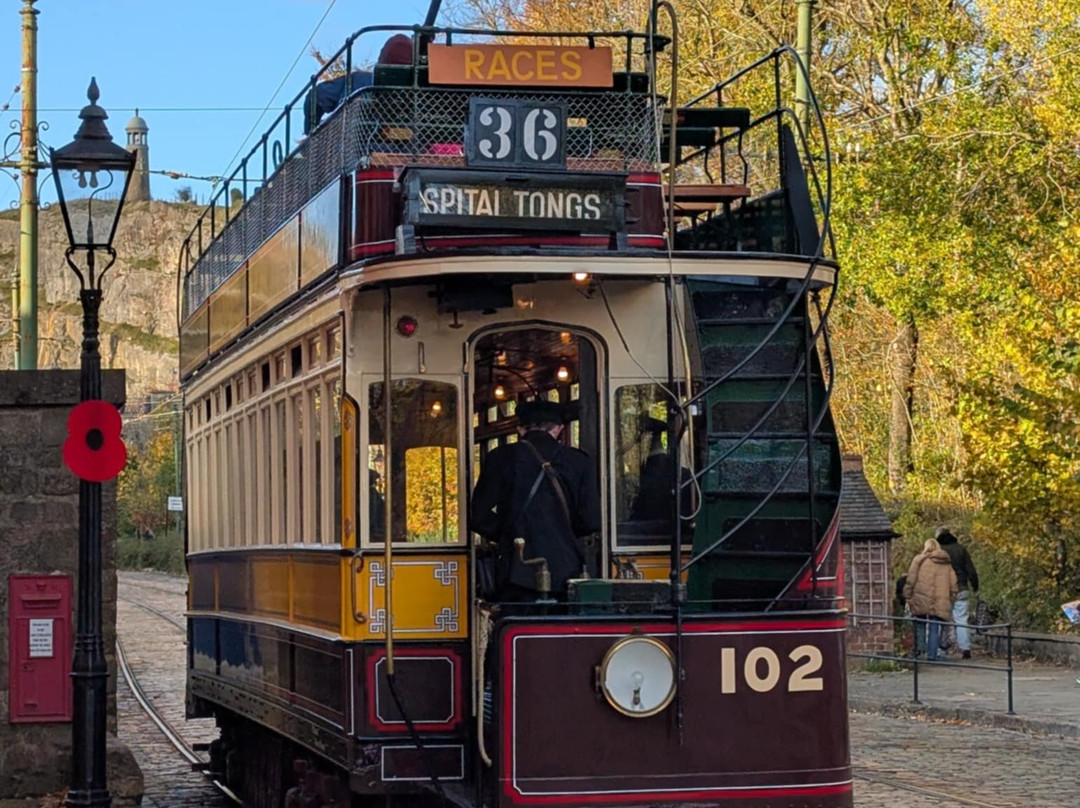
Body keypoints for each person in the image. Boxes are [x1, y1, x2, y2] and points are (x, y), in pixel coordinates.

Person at [470, 400, 601, 601]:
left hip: (516, 568)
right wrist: (563, 533)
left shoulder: (501, 457)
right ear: (558, 429)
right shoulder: (579, 461)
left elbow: (478, 516)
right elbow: (591, 521)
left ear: (521, 429)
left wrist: (509, 535)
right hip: (566, 568)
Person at [303, 34, 414, 134]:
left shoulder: (358, 81)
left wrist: (312, 134)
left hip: (353, 145)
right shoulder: (418, 93)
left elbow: (315, 96)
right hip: (411, 145)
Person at [903, 538, 958, 661]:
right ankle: (932, 655)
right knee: (934, 626)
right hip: (940, 599)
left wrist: (907, 594)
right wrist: (951, 598)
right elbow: (953, 584)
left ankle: (920, 651)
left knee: (920, 623)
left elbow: (911, 579)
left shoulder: (919, 560)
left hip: (921, 597)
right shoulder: (946, 564)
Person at [936, 526, 979, 659]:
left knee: (942, 619)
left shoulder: (938, 551)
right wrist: (975, 587)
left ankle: (941, 649)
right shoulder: (961, 549)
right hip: (961, 587)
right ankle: (965, 648)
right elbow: (971, 570)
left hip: (944, 590)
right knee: (962, 619)